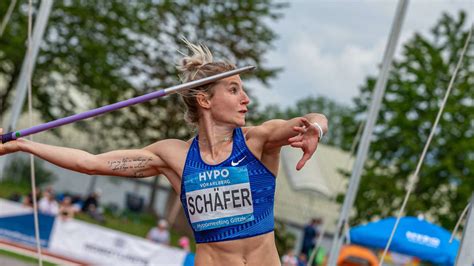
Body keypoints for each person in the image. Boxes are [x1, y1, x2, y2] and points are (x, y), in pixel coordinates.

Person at [0, 39, 328, 265]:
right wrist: (23, 144)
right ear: (205, 100)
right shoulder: (175, 157)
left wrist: (316, 129)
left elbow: (310, 119)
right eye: (234, 89)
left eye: (243, 89)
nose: (246, 99)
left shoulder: (258, 141)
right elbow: (90, 163)